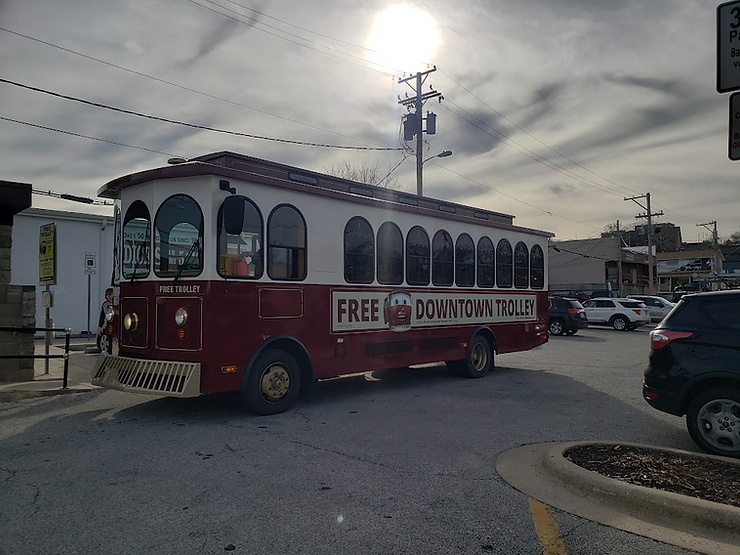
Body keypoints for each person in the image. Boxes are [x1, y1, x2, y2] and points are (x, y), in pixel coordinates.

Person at [97, 288, 114, 354]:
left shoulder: (117, 303)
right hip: (107, 325)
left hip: (114, 324)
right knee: (107, 336)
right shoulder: (105, 305)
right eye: (107, 295)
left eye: (110, 294)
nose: (109, 297)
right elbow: (102, 316)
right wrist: (100, 327)